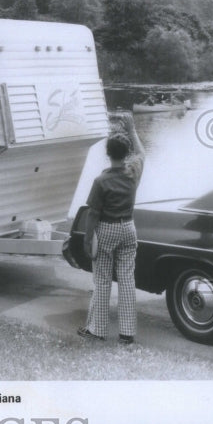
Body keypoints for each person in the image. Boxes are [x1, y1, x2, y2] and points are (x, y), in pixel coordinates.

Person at [77, 111, 145, 345]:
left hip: (106, 230)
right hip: (128, 228)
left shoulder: (101, 181)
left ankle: (97, 329)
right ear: (126, 153)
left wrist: (87, 241)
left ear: (107, 154)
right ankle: (127, 333)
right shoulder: (133, 173)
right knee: (127, 279)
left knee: (103, 280)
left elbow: (94, 214)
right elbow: (142, 153)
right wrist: (132, 130)